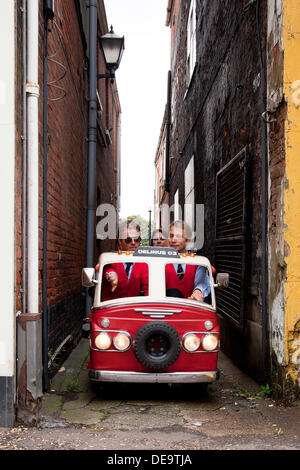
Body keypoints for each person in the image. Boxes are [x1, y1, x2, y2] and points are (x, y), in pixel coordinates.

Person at [101, 220, 148, 300]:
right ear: (120, 241)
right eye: (128, 240)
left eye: (137, 239)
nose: (133, 243)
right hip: (113, 308)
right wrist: (112, 275)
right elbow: (108, 269)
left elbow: (147, 288)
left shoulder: (146, 263)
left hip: (135, 308)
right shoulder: (110, 259)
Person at [166, 220, 210, 302]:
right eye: (171, 236)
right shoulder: (160, 261)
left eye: (178, 236)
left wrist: (198, 291)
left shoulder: (196, 262)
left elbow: (201, 281)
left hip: (190, 308)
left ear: (188, 239)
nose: (173, 240)